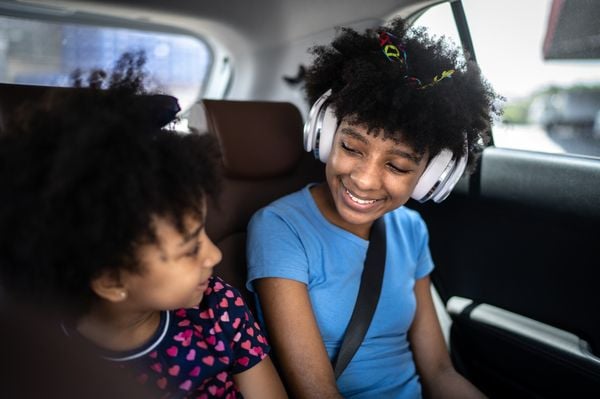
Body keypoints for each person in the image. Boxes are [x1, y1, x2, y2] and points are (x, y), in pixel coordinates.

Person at [0, 53, 287, 399]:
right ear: (112, 279)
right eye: (190, 248)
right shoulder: (50, 359)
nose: (213, 255)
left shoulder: (218, 306)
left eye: (204, 233)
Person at [246, 18, 500, 398]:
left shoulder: (411, 230)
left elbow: (440, 371)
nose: (364, 180)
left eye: (397, 166)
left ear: (430, 177)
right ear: (327, 135)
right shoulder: (280, 227)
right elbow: (317, 392)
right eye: (350, 148)